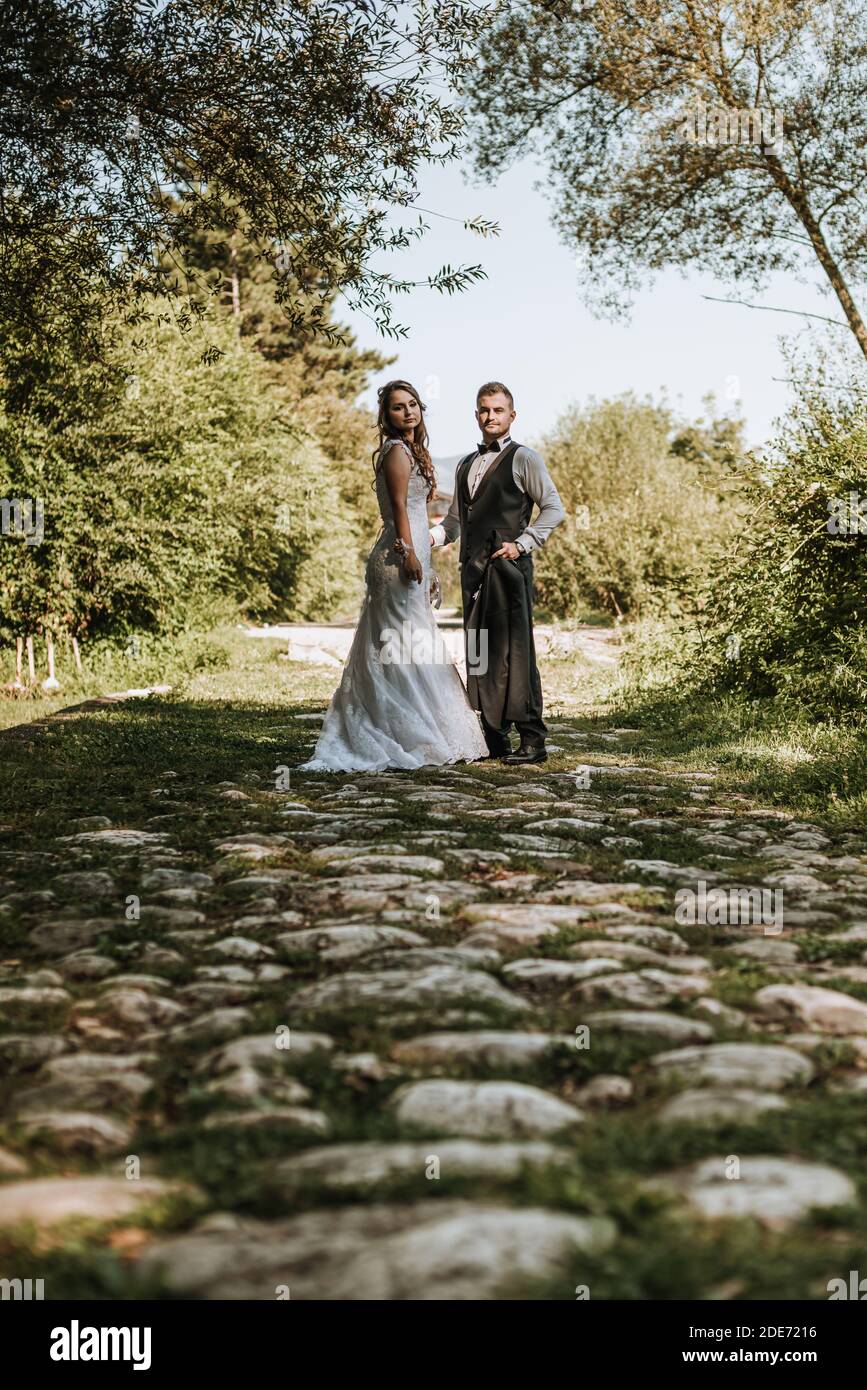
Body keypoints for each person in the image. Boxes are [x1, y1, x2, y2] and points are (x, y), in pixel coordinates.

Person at [299, 380, 489, 772]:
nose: (409, 412)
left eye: (414, 404)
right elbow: (401, 509)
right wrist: (408, 554)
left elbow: (420, 517)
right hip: (397, 558)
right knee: (400, 643)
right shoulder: (396, 452)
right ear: (386, 416)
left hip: (412, 552)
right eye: (399, 407)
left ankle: (413, 726)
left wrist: (426, 557)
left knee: (411, 643)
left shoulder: (415, 451)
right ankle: (395, 731)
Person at [429, 381, 564, 764]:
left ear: (512, 416)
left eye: (499, 410)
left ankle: (533, 739)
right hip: (471, 571)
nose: (491, 416)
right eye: (485, 410)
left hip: (509, 569)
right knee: (480, 652)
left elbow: (554, 509)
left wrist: (522, 543)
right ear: (476, 415)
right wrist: (427, 539)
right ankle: (493, 737)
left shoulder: (525, 459)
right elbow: (455, 521)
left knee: (515, 652)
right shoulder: (464, 465)